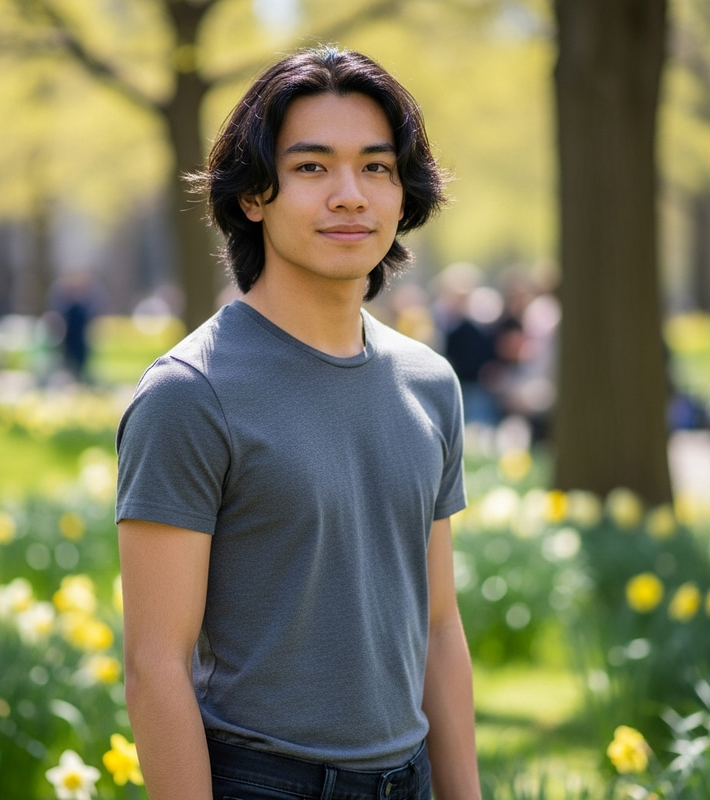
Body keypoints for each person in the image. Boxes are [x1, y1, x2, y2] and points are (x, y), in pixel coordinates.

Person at [115, 45, 481, 800]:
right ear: (253, 195)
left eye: (375, 167)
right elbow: (156, 667)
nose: (351, 195)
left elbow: (439, 627)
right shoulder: (190, 393)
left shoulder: (429, 383)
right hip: (264, 781)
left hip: (409, 776)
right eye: (313, 167)